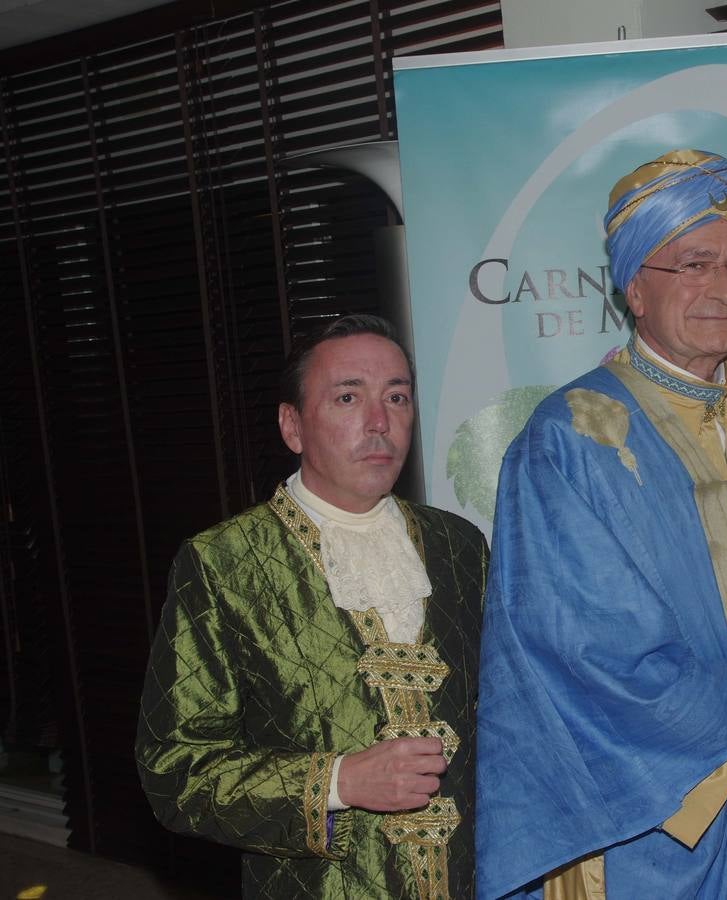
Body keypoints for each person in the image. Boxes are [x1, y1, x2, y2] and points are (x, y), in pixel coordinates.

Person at [475, 149, 727, 899]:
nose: (722, 287)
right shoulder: (570, 438)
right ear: (633, 291)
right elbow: (575, 645)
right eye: (692, 264)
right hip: (650, 815)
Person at [137, 314, 487, 899]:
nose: (380, 423)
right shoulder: (225, 561)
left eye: (396, 397)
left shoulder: (459, 545)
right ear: (292, 426)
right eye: (348, 397)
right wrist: (338, 781)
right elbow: (176, 771)